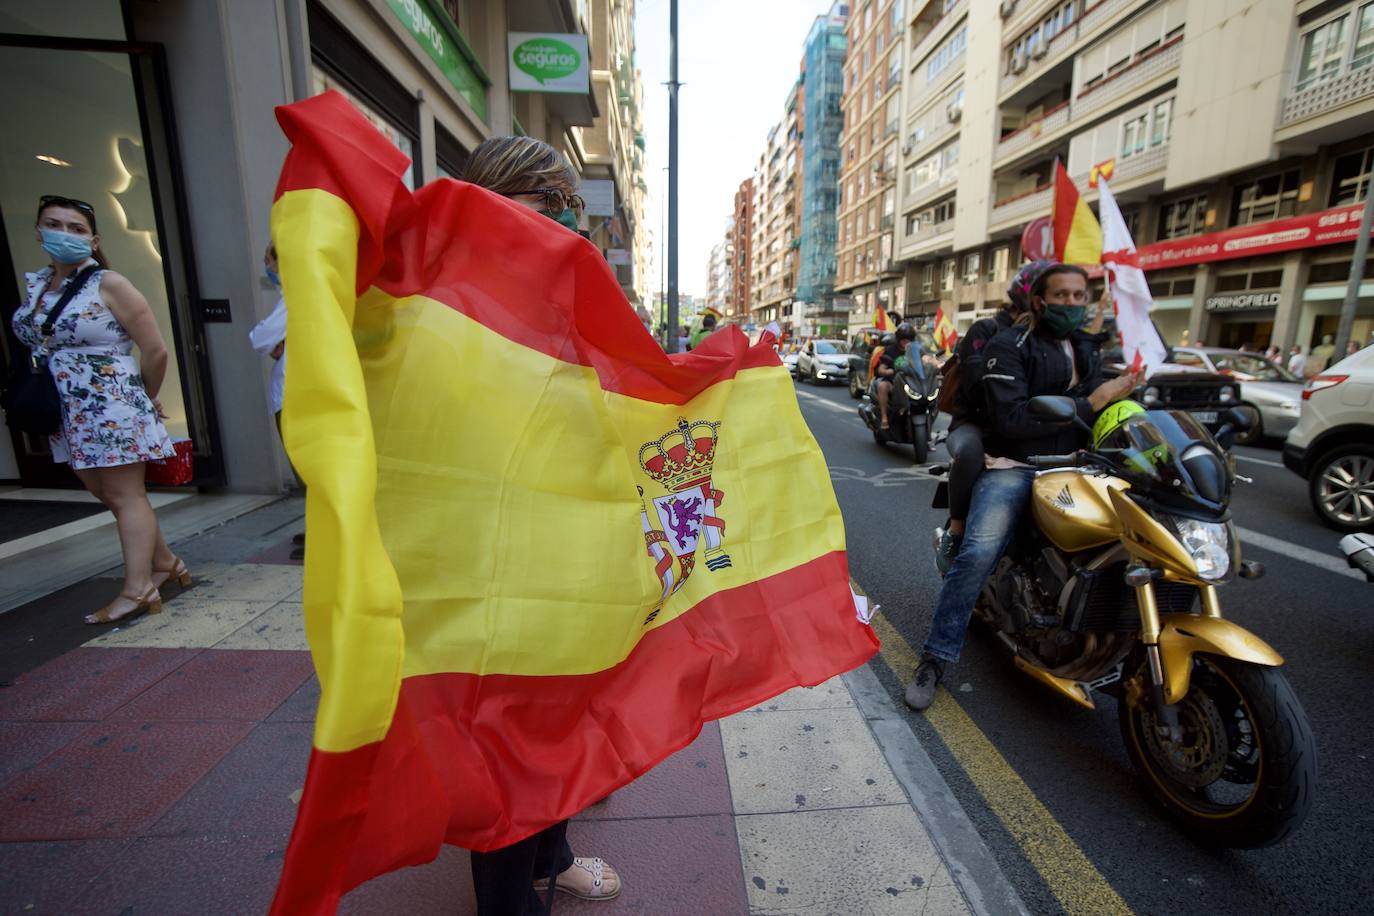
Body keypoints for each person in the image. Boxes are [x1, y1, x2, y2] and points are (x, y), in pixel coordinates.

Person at [460, 136, 620, 914]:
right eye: (545, 200)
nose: (561, 217)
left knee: (557, 718)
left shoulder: (559, 278)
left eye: (565, 203)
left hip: (564, 537)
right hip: (490, 548)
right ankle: (510, 898)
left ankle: (549, 856)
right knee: (508, 736)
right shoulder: (448, 285)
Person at [904, 264, 1140, 712]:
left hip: (1080, 467)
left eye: (1078, 296)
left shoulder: (1085, 347)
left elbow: (1108, 396)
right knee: (977, 552)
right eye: (1061, 296)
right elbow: (1012, 420)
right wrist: (1094, 400)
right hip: (1014, 464)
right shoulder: (1007, 344)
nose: (1071, 304)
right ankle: (934, 659)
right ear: (1038, 301)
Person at [12, 195, 186, 624]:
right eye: (54, 224)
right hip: (68, 410)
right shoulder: (37, 286)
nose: (64, 234)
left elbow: (155, 349)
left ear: (93, 240)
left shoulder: (108, 283)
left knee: (127, 496)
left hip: (111, 406)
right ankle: (165, 563)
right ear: (37, 231)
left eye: (76, 228)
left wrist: (143, 396)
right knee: (109, 494)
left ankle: (139, 587)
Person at [933, 259, 1055, 573]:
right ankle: (957, 532)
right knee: (971, 452)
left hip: (1026, 427)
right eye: (1054, 295)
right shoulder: (987, 331)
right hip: (977, 424)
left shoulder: (1053, 339)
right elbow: (977, 387)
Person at [248, 243, 305, 560]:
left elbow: (263, 338)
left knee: (304, 467)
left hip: (294, 393)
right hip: (300, 389)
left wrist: (276, 340)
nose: (266, 267)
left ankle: (326, 537)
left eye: (267, 260)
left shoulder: (296, 295)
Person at [873, 322, 917, 433]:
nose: (906, 342)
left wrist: (935, 364)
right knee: (883, 386)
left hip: (914, 384)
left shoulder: (916, 351)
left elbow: (926, 360)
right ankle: (884, 418)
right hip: (893, 383)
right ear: (898, 339)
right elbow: (881, 369)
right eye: (903, 339)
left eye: (909, 339)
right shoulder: (891, 350)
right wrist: (888, 371)